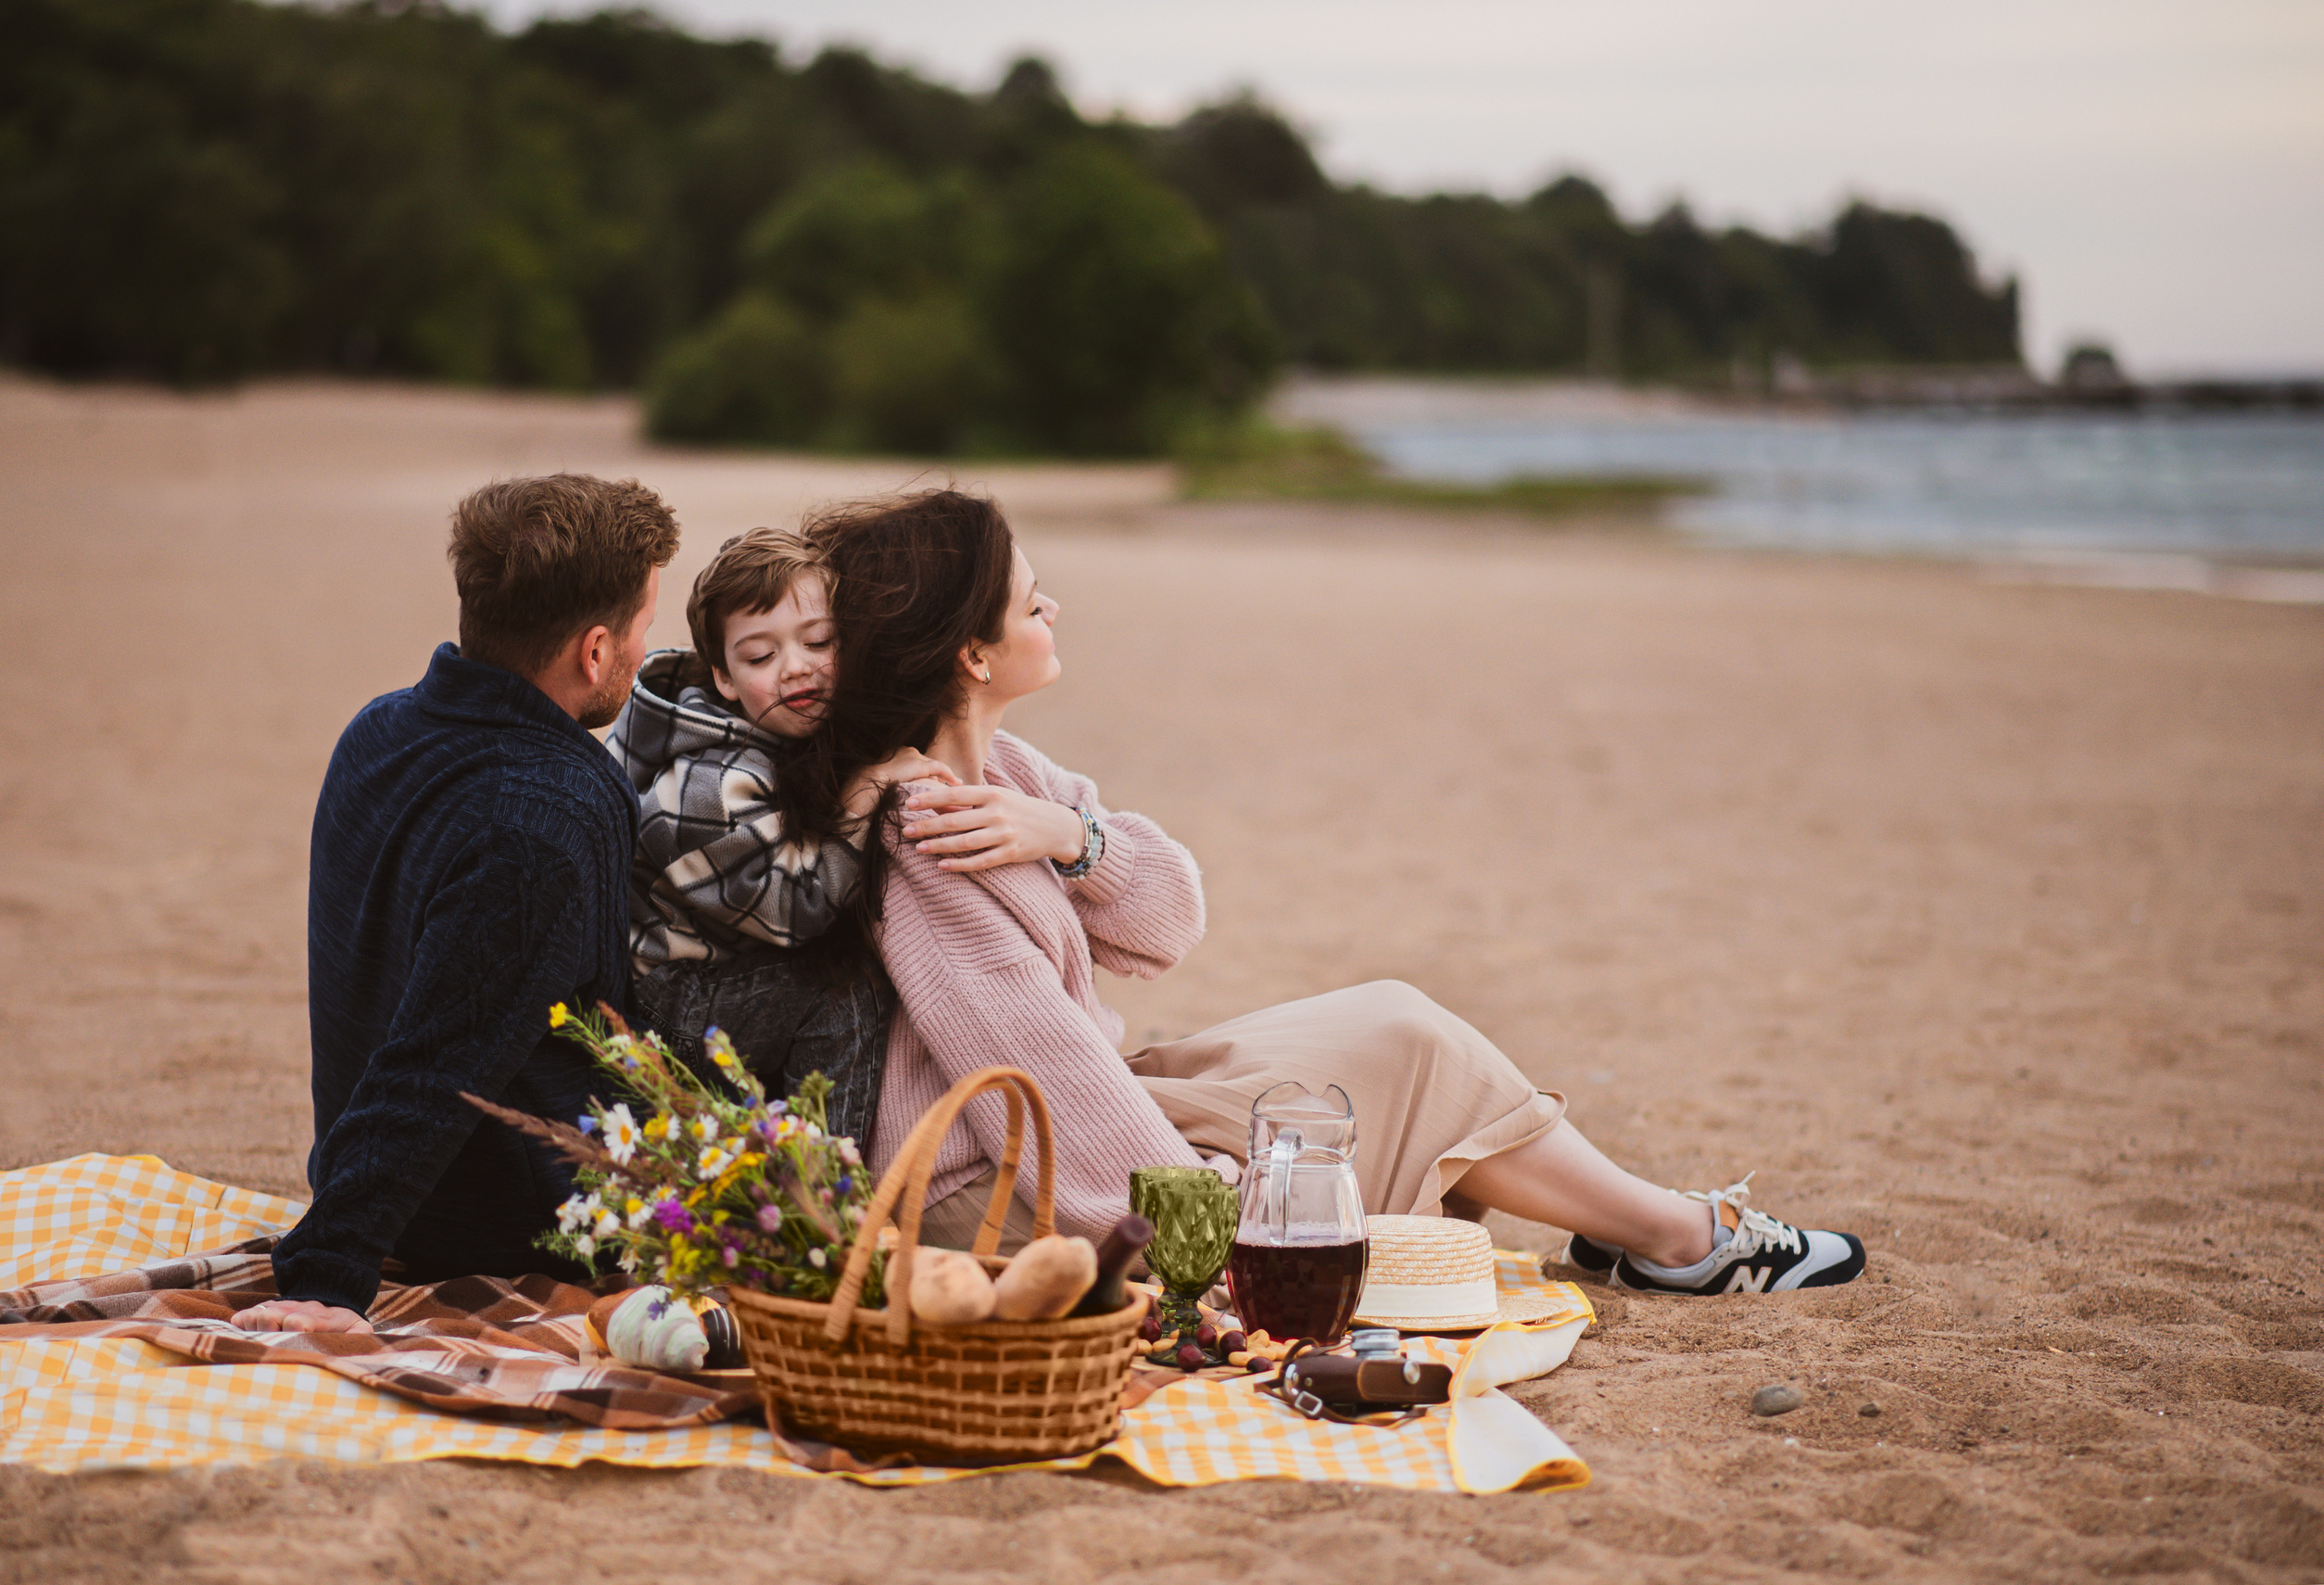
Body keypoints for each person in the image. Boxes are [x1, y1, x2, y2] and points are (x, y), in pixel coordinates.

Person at [809, 488, 1865, 1297]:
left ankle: (1660, 1232)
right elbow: (1034, 1069)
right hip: (1005, 1195)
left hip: (1092, 1105)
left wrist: (1073, 839)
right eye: (1030, 600)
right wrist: (1199, 1233)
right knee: (1390, 1073)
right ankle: (1678, 1240)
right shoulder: (929, 829)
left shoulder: (1014, 780)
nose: (1055, 607)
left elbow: (1170, 919)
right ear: (970, 655)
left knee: (1399, 1025)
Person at [234, 475, 680, 1333]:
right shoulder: (547, 816)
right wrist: (327, 1279)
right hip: (507, 1222)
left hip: (399, 1175)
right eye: (643, 627)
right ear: (595, 651)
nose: (642, 648)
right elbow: (436, 1057)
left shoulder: (378, 728)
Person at [608, 526, 951, 1140]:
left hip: (729, 972)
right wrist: (863, 797)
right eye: (761, 657)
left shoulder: (780, 740)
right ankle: (826, 1195)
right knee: (844, 995)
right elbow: (796, 908)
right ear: (725, 680)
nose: (797, 668)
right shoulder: (708, 784)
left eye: (819, 641)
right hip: (669, 1005)